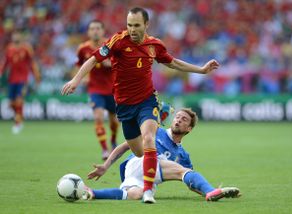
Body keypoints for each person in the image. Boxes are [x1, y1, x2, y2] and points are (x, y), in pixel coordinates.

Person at [61, 7, 219, 203]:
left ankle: (147, 191)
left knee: (149, 138)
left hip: (147, 100)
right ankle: (143, 183)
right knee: (138, 152)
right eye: (129, 25)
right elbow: (93, 59)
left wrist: (201, 70)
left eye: (136, 25)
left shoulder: (154, 45)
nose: (132, 29)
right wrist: (76, 80)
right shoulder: (118, 41)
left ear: (146, 25)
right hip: (125, 106)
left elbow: (173, 62)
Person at [83, 108, 241, 201]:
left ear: (189, 129)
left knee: (134, 195)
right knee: (180, 170)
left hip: (144, 177)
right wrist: (105, 166)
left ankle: (91, 192)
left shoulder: (183, 155)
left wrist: (206, 192)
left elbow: (190, 182)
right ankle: (211, 191)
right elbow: (125, 147)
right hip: (138, 162)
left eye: (184, 119)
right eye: (177, 117)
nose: (178, 120)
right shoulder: (155, 130)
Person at [76, 20, 119, 160]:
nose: (95, 31)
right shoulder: (83, 48)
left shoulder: (111, 45)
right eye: (92, 28)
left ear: (102, 31)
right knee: (98, 117)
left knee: (114, 121)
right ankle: (105, 149)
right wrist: (82, 77)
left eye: (98, 28)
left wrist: (110, 63)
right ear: (88, 32)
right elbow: (79, 64)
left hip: (112, 89)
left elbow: (121, 63)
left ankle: (113, 140)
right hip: (95, 89)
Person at [0, 31, 41, 134]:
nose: (15, 36)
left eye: (17, 35)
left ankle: (17, 123)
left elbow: (32, 63)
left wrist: (36, 76)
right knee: (11, 104)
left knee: (19, 101)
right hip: (12, 80)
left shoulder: (26, 48)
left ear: (21, 37)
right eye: (14, 34)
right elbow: (5, 63)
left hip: (23, 80)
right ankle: (19, 116)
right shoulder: (9, 48)